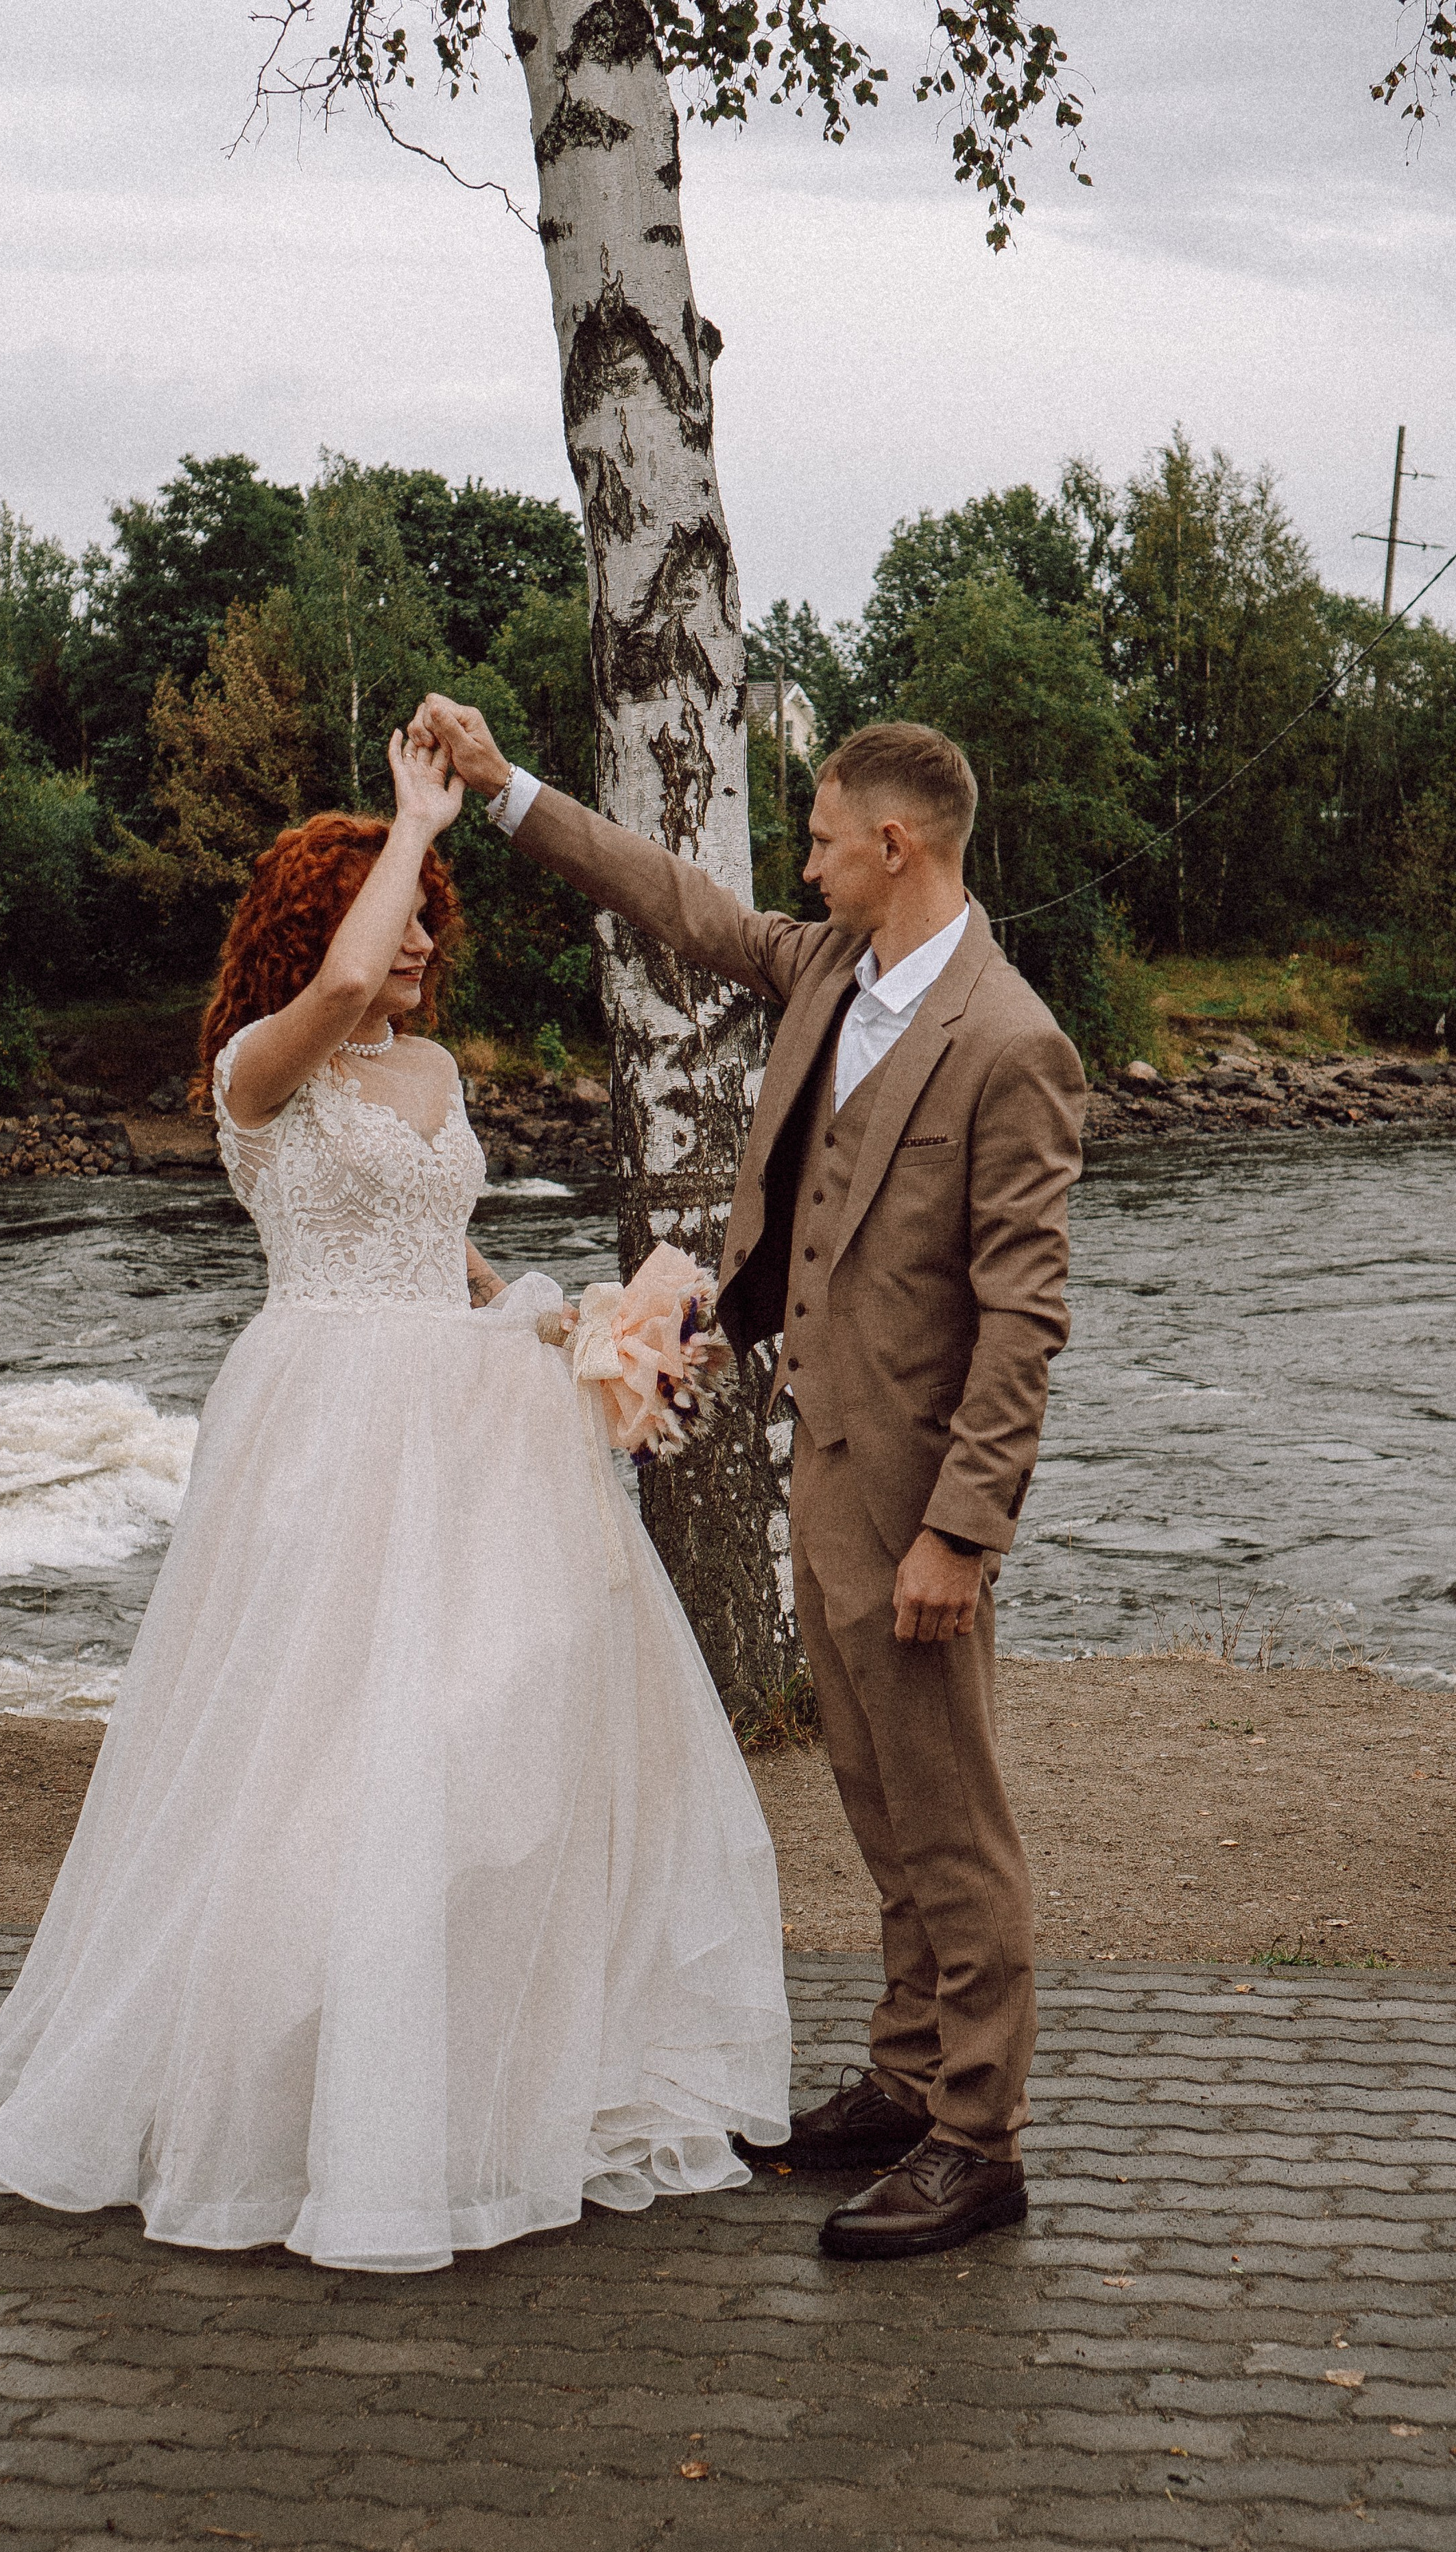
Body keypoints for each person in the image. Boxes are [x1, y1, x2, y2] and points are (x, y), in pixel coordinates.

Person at [0, 729, 790, 2275]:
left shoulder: (438, 1071)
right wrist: (410, 816)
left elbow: (445, 1248)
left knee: (486, 1732)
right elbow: (334, 999)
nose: (417, 940)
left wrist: (568, 1327)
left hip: (462, 1419)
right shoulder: (258, 1068)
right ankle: (268, 2076)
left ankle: (450, 2067)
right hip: (325, 1427)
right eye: (397, 911)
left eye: (426, 916)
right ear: (313, 923)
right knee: (302, 1751)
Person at [412, 696, 1086, 2262]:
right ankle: (907, 2075)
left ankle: (976, 2141)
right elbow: (677, 902)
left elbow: (1020, 1323)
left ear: (893, 845)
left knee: (953, 1818)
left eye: (820, 837)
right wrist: (510, 789)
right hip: (819, 1465)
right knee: (873, 1790)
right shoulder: (824, 969)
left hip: (916, 1499)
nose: (803, 861)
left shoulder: (1009, 1044)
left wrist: (958, 1537)